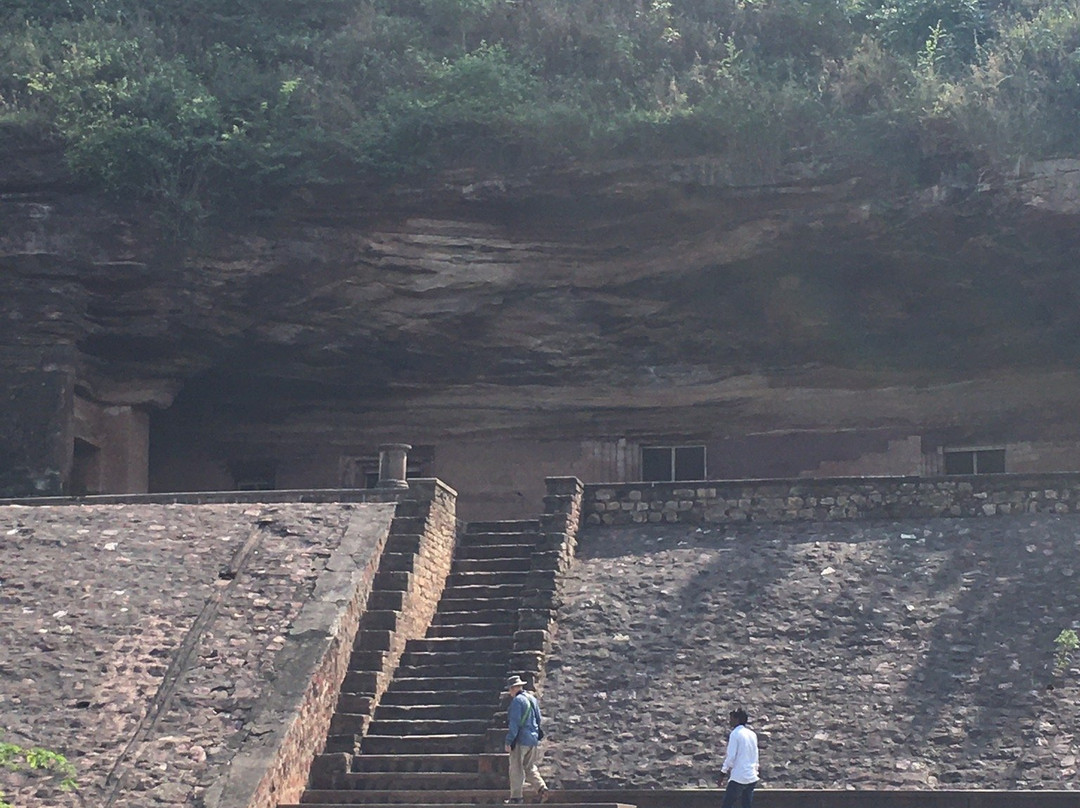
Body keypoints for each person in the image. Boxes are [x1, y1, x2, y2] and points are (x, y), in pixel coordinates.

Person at [504, 674, 548, 804]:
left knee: (516, 768)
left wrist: (509, 741)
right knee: (530, 767)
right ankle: (541, 787)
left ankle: (516, 797)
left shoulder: (517, 702)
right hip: (533, 739)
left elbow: (514, 723)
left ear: (513, 688)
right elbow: (538, 719)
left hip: (520, 740)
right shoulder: (532, 699)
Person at [717, 707, 759, 808]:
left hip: (739, 777)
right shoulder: (752, 734)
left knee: (727, 804)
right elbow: (755, 754)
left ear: (737, 719)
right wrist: (756, 770)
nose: (729, 721)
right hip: (751, 776)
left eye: (731, 718)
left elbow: (731, 756)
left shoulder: (735, 734)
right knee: (746, 805)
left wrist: (723, 773)